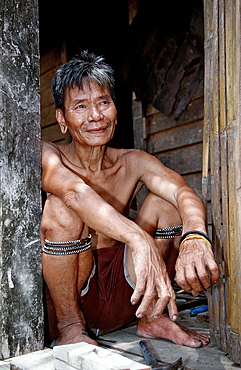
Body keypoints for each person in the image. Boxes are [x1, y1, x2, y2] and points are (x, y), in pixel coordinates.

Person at [40, 51, 219, 348]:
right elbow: (75, 193)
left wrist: (195, 235)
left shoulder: (133, 161)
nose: (95, 116)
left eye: (103, 103)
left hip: (130, 296)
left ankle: (152, 317)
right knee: (61, 207)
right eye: (81, 106)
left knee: (167, 202)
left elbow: (181, 191)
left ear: (115, 110)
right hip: (75, 294)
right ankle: (70, 328)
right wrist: (139, 238)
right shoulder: (49, 154)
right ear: (62, 119)